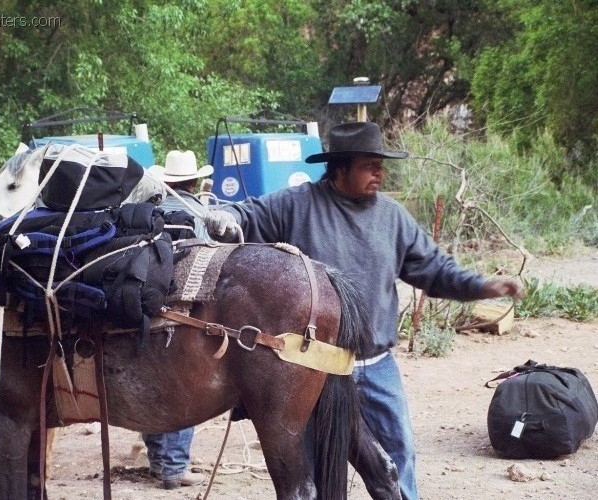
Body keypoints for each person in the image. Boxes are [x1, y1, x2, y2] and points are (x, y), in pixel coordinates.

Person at [203, 121, 524, 500]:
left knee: (396, 458)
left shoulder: (392, 217)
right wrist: (229, 218)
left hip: (376, 365)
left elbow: (435, 270)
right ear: (340, 168)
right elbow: (247, 214)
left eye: (381, 165)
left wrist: (484, 286)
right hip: (315, 368)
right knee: (320, 467)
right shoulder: (296, 205)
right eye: (370, 165)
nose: (380, 173)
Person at [140, 149, 213, 489]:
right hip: (183, 310)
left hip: (145, 305)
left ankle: (157, 461)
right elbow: (208, 255)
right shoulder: (197, 212)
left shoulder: (149, 211)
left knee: (151, 385)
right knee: (185, 387)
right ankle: (174, 467)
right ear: (195, 181)